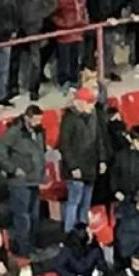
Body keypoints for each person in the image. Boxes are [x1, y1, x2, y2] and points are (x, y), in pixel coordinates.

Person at [0, 105, 47, 257]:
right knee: (22, 217)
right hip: (20, 182)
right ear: (27, 118)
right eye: (35, 120)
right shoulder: (15, 132)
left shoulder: (38, 132)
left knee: (34, 216)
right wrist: (12, 168)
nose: (38, 123)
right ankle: (23, 250)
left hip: (34, 180)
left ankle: (32, 246)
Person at [57, 88, 109, 231]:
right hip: (75, 169)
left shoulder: (93, 116)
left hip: (90, 166)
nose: (91, 106)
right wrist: (73, 167)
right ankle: (69, 232)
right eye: (89, 103)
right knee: (74, 201)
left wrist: (102, 159)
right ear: (79, 102)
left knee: (86, 202)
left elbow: (99, 139)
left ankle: (83, 231)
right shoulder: (69, 119)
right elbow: (65, 145)